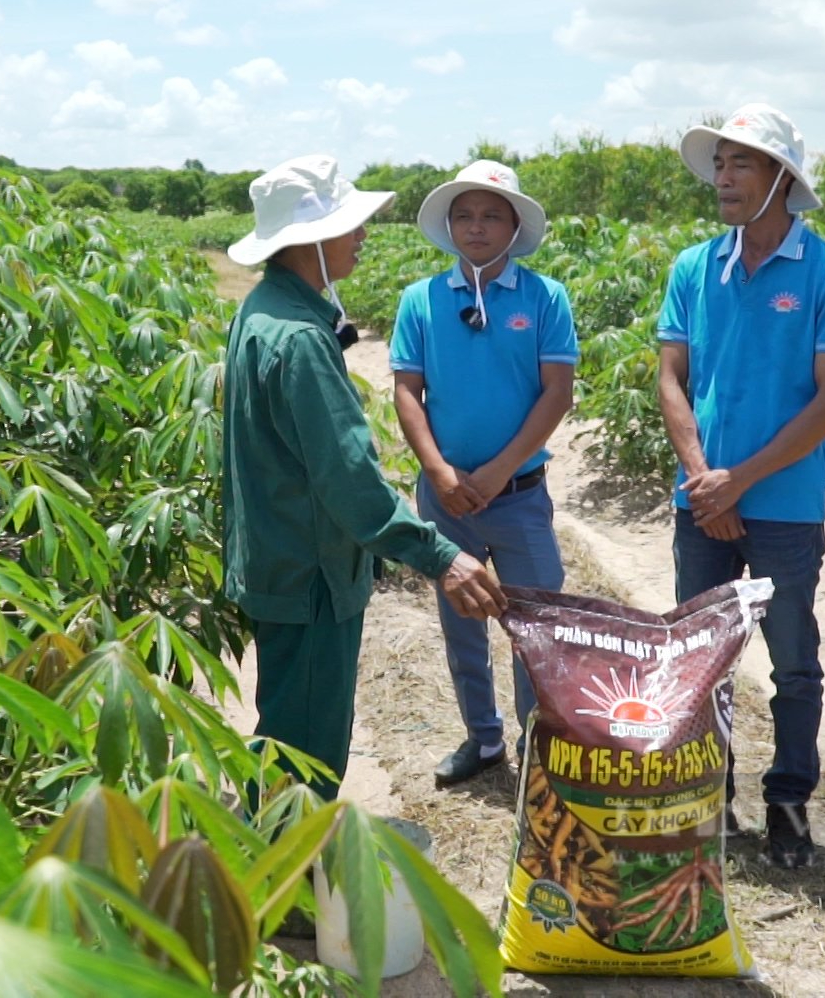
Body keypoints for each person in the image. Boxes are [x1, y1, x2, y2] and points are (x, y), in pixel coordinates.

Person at [222, 153, 508, 803]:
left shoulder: (263, 311)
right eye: (350, 225)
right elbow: (349, 481)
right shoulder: (297, 338)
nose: (362, 236)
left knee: (285, 733)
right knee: (304, 759)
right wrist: (441, 557)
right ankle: (283, 888)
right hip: (311, 574)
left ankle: (269, 870)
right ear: (310, 241)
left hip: (278, 561)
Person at [654, 104, 825, 868]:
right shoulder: (693, 268)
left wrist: (736, 481)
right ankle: (711, 798)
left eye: (740, 163)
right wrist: (700, 480)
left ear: (781, 178)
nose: (723, 177)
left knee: (792, 662)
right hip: (702, 502)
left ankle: (788, 803)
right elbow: (672, 378)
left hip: (781, 507)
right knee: (700, 660)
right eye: (719, 163)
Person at [389, 160, 579, 787]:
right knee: (462, 620)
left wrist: (498, 471)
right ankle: (483, 737)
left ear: (514, 225)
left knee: (534, 620)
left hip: (518, 493)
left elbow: (557, 392)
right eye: (464, 215)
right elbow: (407, 391)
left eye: (491, 215)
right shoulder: (421, 300)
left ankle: (539, 743)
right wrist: (439, 471)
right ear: (449, 225)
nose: (476, 227)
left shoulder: (544, 298)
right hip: (446, 497)